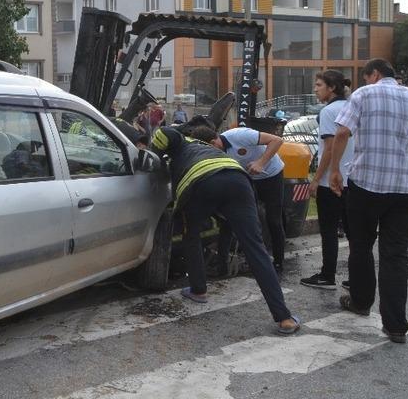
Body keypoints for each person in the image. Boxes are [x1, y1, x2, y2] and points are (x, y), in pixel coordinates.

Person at [145, 126, 300, 334]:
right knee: (256, 248)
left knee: (191, 237)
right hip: (237, 179)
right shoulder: (199, 143)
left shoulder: (174, 157)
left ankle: (199, 290)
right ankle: (284, 318)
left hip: (200, 184)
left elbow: (176, 195)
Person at [329, 58, 408, 344]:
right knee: (395, 255)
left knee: (361, 245)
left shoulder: (363, 94)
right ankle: (396, 326)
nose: (366, 81)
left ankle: (360, 301)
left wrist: (334, 170)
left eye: (367, 76)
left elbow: (343, 131)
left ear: (375, 74)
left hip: (367, 184)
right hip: (405, 185)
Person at [191, 126, 287, 272]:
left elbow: (277, 140)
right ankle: (225, 264)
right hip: (247, 180)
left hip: (271, 176)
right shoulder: (215, 152)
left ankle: (278, 263)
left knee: (273, 220)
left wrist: (260, 163)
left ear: (212, 141)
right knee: (241, 220)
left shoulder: (240, 135)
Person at [300, 70, 354, 289]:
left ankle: (327, 275)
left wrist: (317, 179)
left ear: (332, 88)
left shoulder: (329, 111)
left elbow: (330, 147)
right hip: (353, 179)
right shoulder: (352, 107)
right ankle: (357, 277)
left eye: (319, 85)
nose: (315, 89)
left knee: (329, 230)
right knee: (354, 232)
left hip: (331, 180)